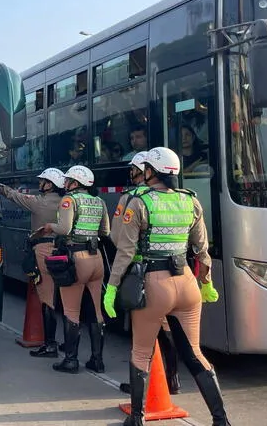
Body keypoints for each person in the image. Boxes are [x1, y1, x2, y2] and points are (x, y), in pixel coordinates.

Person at [103, 147, 229, 426]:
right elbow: (201, 248)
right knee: (195, 354)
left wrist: (111, 288)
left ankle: (136, 418)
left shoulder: (137, 201)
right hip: (186, 283)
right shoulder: (190, 201)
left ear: (151, 171)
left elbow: (124, 251)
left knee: (141, 353)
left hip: (152, 284)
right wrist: (206, 282)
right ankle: (221, 420)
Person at [110, 151, 182, 396]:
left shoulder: (131, 198)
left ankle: (139, 387)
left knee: (140, 331)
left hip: (140, 272)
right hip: (175, 269)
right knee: (167, 324)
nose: (130, 172)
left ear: (142, 171)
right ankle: (173, 378)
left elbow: (117, 237)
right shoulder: (179, 197)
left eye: (133, 169)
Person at [42, 165, 110, 374]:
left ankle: (71, 360)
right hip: (96, 258)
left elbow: (64, 229)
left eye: (68, 180)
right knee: (97, 311)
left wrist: (50, 226)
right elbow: (105, 231)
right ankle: (97, 360)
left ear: (75, 182)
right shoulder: (99, 201)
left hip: (75, 257)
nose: (65, 184)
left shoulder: (69, 200)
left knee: (72, 311)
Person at [0, 168, 66, 357]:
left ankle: (50, 345)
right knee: (68, 300)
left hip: (44, 251)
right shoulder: (67, 203)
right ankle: (67, 344)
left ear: (50, 184)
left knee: (47, 299)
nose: (39, 184)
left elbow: (13, 195)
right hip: (65, 253)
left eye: (42, 181)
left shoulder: (39, 203)